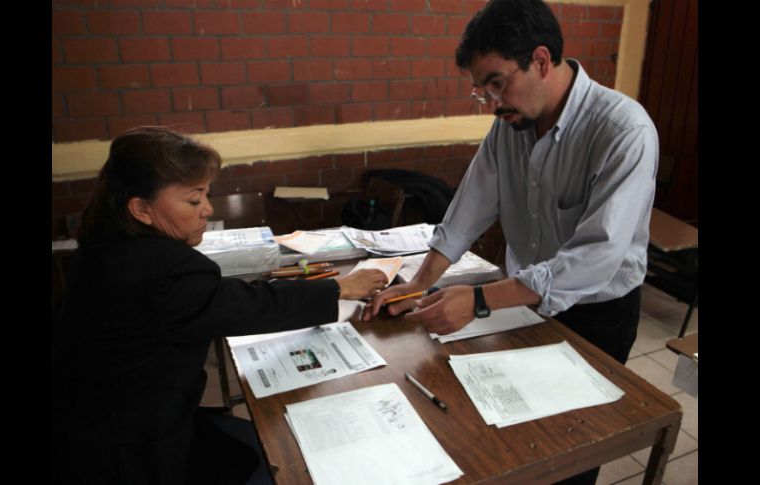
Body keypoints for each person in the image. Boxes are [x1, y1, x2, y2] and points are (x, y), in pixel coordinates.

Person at [364, 1, 657, 483]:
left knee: (574, 448)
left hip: (597, 314)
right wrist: (418, 283)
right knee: (515, 437)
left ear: (540, 60)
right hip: (524, 303)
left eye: (497, 84)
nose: (492, 102)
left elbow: (596, 257)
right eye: (482, 91)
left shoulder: (622, 130)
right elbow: (470, 207)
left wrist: (480, 300)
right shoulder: (511, 126)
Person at [52, 126, 388, 485]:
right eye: (193, 200)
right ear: (141, 209)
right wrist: (339, 287)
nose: (208, 210)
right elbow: (251, 306)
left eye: (206, 195)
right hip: (129, 451)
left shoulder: (104, 246)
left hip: (96, 422)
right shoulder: (162, 269)